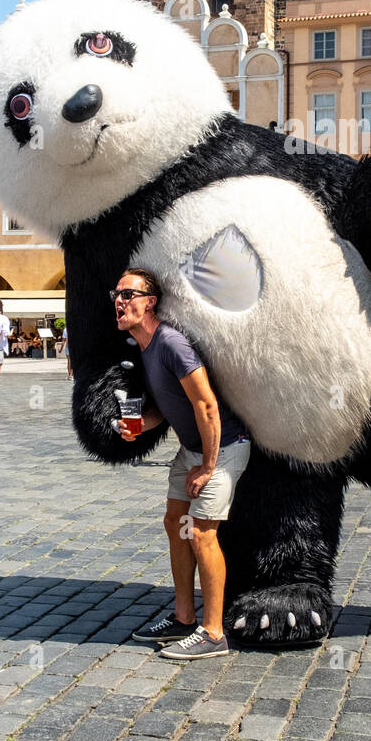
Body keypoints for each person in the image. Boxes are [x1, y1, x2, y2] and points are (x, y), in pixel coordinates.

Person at [116, 269, 250, 660]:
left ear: (150, 301)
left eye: (129, 294)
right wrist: (141, 425)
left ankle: (213, 632)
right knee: (176, 525)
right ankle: (183, 616)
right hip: (192, 450)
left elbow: (206, 403)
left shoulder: (171, 343)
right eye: (117, 294)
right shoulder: (143, 347)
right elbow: (169, 408)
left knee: (202, 535)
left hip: (223, 447)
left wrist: (208, 466)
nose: (120, 301)